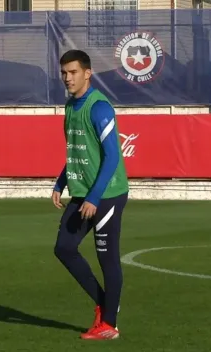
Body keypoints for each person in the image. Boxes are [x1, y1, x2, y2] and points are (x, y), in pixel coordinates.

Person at [52, 49, 129, 340]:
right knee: (64, 248)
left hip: (107, 194)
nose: (67, 78)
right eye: (64, 73)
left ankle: (109, 323)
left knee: (107, 258)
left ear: (87, 73)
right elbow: (74, 152)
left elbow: (112, 157)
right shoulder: (70, 106)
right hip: (83, 193)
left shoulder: (99, 107)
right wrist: (60, 183)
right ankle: (103, 303)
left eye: (73, 72)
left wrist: (94, 198)